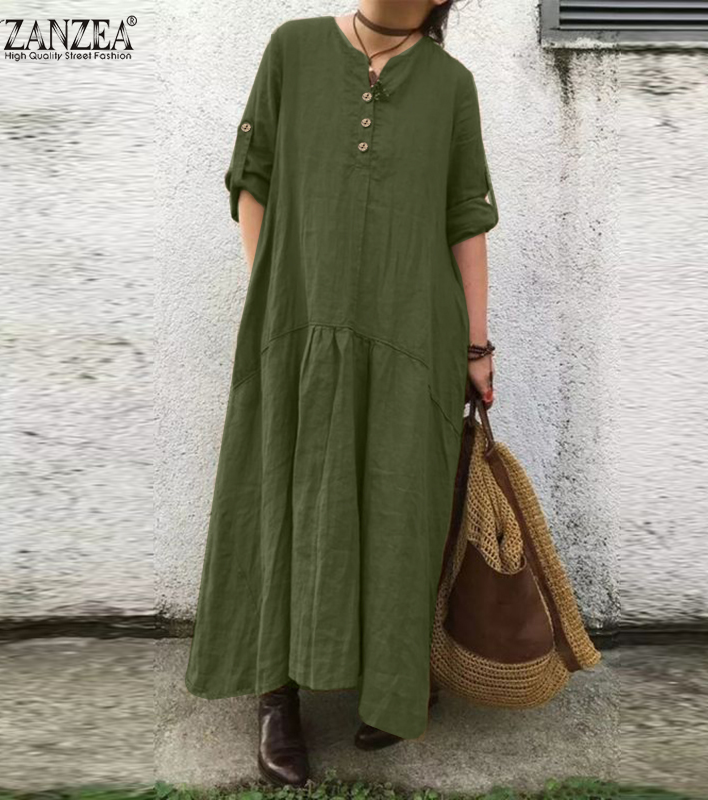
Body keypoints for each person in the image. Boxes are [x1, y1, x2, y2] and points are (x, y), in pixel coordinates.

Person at [185, 0, 498, 786]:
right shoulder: (292, 49)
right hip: (299, 323)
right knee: (279, 497)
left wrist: (477, 344)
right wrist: (276, 290)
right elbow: (251, 178)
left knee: (400, 506)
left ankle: (391, 688)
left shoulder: (451, 84)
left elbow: (465, 218)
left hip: (412, 334)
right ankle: (275, 698)